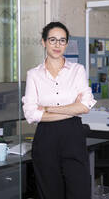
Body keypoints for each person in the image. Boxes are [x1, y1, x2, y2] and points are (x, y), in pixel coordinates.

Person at [22, 21, 96, 199]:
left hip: (73, 136)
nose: (57, 45)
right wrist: (72, 109)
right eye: (52, 40)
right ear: (43, 42)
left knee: (80, 192)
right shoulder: (34, 74)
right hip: (45, 138)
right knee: (50, 193)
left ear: (66, 43)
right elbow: (31, 114)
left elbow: (85, 106)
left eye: (62, 41)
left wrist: (47, 108)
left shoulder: (77, 70)